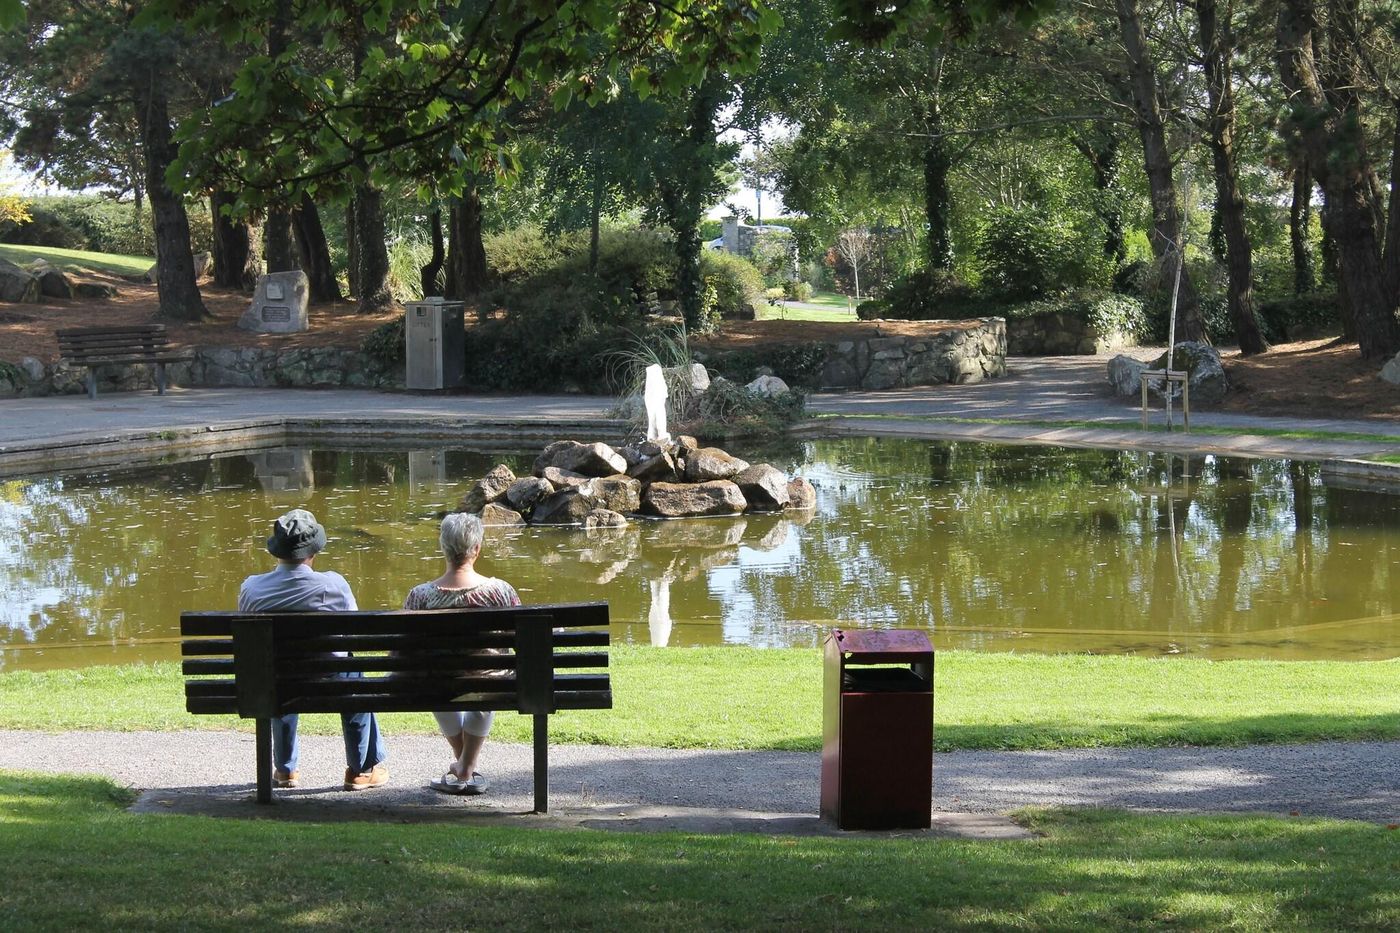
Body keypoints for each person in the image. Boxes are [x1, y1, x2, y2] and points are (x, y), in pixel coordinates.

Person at [237, 508, 389, 791]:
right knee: (353, 671)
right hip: (330, 681)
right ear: (314, 550)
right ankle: (361, 769)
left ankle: (285, 770)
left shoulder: (252, 589)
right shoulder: (334, 585)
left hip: (277, 682)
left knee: (277, 669)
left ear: (277, 550)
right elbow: (354, 635)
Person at [402, 512, 521, 795]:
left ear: (443, 547)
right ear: (477, 549)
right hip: (492, 681)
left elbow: (403, 651)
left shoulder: (419, 597)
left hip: (437, 683)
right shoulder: (500, 593)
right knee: (486, 679)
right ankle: (466, 765)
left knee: (438, 681)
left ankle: (463, 765)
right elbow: (521, 641)